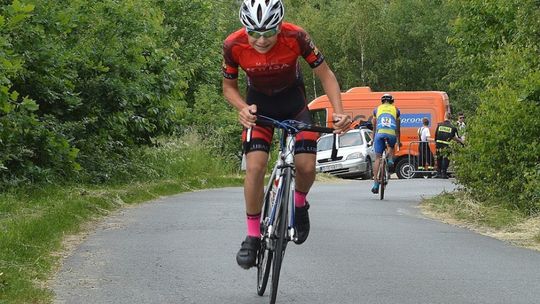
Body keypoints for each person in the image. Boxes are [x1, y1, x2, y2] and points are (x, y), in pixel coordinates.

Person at [222, 0, 351, 270]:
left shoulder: (297, 37)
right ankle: (253, 236)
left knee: (306, 167)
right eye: (253, 32)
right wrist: (243, 108)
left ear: (280, 27)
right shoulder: (233, 45)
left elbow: (326, 75)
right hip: (260, 110)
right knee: (255, 168)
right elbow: (228, 88)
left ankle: (300, 204)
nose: (261, 39)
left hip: (295, 107)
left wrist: (339, 112)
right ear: (244, 29)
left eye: (269, 32)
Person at [370, 93, 401, 194]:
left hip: (379, 134)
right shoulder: (396, 110)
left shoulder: (376, 110)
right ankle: (391, 160)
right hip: (391, 134)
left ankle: (375, 184)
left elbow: (374, 128)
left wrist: (373, 139)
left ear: (382, 101)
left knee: (377, 158)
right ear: (392, 101)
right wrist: (399, 141)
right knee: (391, 145)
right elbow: (398, 129)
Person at [434, 113, 464, 179]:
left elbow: (435, 136)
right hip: (447, 145)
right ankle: (444, 174)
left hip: (438, 144)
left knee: (439, 158)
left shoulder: (439, 125)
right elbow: (454, 137)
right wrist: (462, 142)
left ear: (445, 116)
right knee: (446, 159)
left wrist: (436, 142)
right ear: (451, 118)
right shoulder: (452, 127)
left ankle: (438, 173)